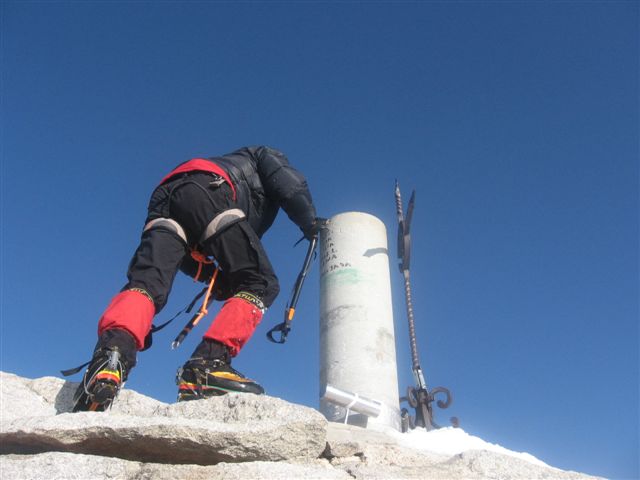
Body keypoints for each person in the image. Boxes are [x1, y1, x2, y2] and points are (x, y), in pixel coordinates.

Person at [71, 146, 321, 412]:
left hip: (165, 199)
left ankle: (110, 358)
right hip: (207, 189)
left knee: (147, 285)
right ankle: (207, 366)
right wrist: (310, 221)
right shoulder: (261, 154)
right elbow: (285, 178)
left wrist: (216, 279)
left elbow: (188, 260)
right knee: (260, 282)